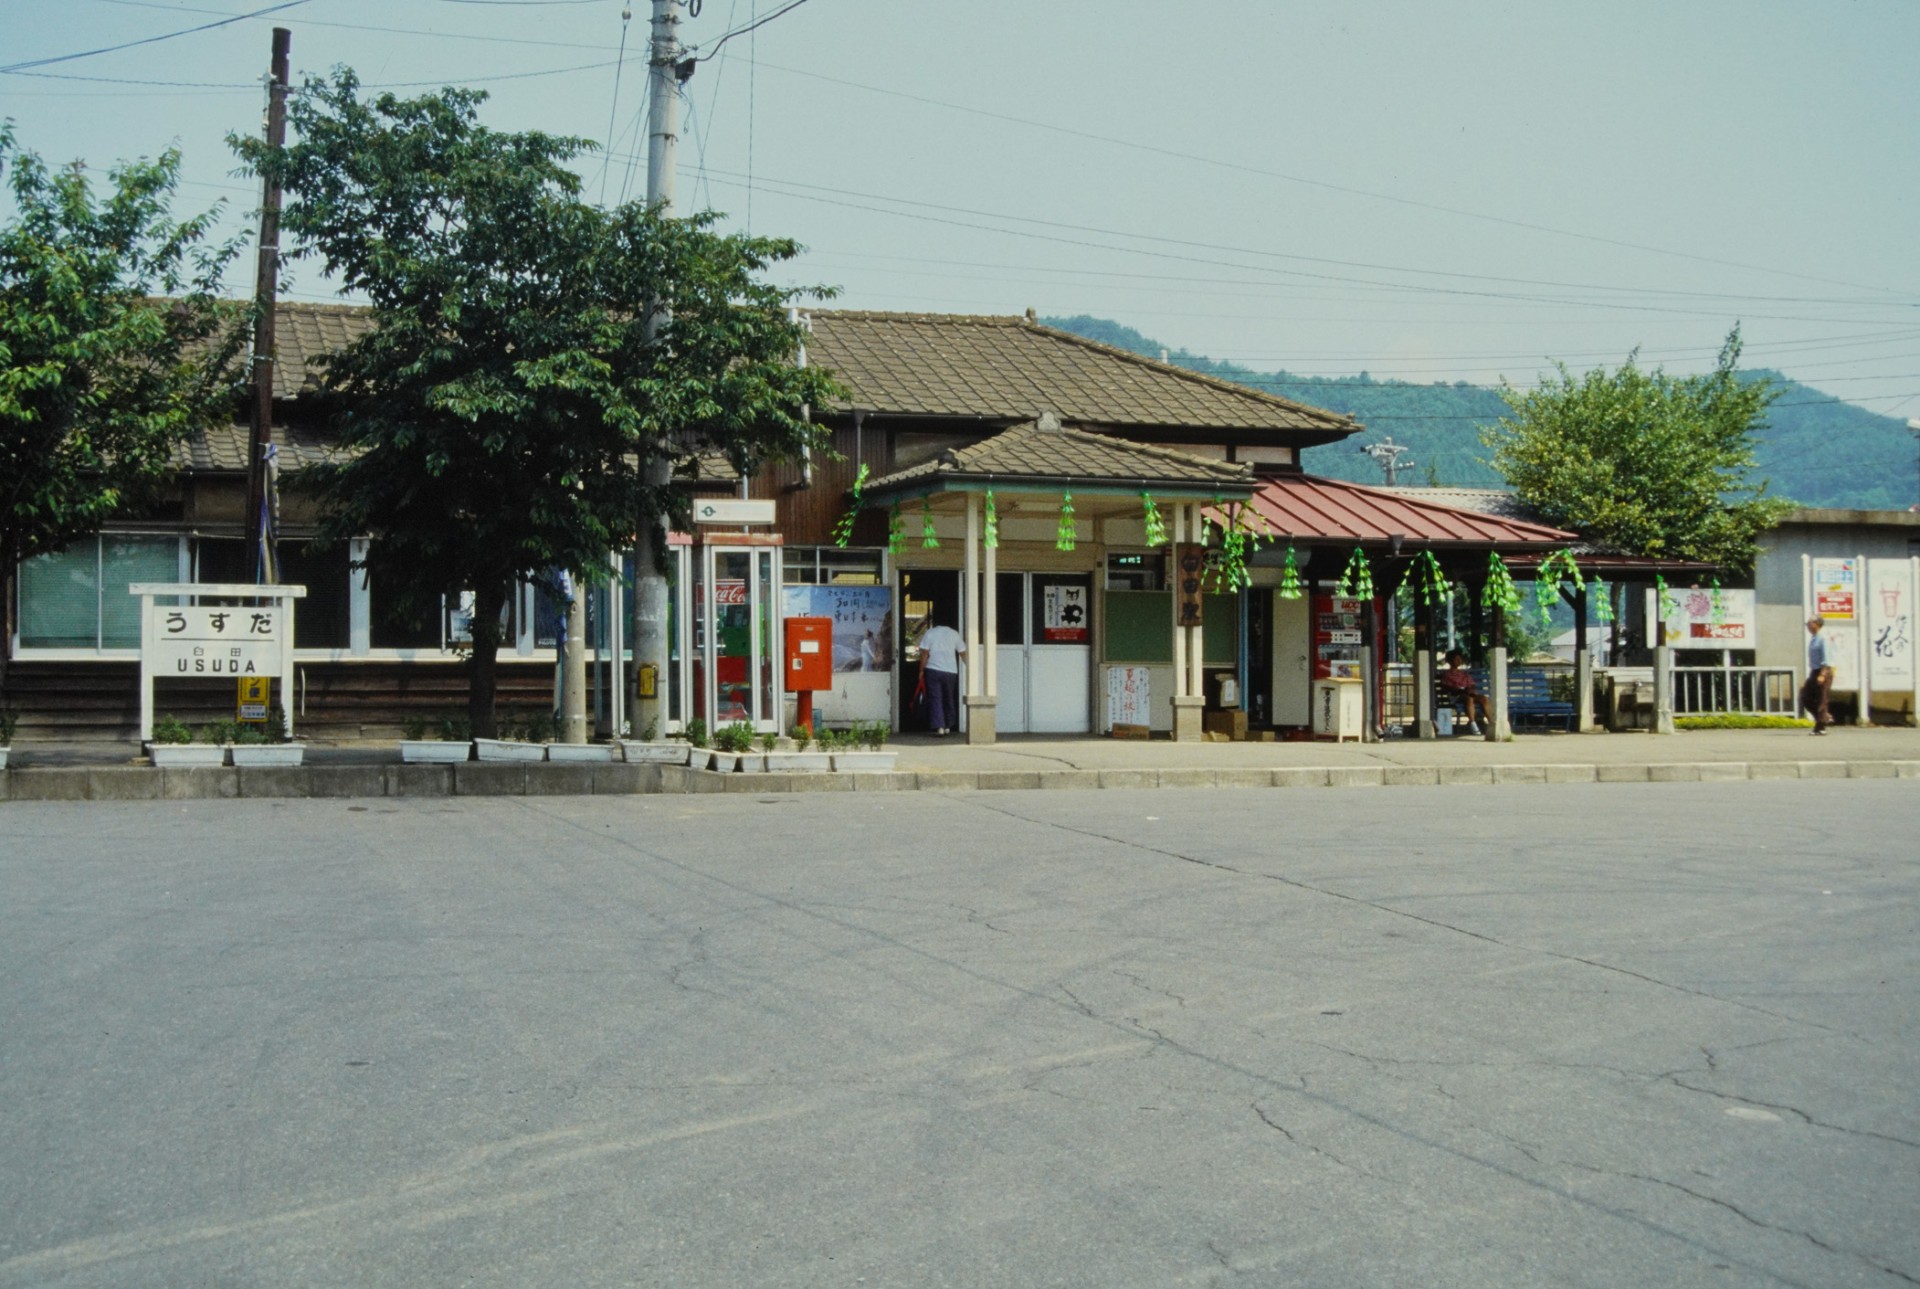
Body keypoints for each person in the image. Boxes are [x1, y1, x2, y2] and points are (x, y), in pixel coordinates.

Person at [917, 618, 966, 736]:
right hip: (950, 671)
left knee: (935, 698)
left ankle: (939, 726)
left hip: (933, 670)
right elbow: (962, 652)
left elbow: (924, 653)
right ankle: (949, 725)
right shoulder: (954, 634)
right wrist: (971, 668)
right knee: (948, 697)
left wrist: (921, 670)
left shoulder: (930, 633)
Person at [1438, 649, 1491, 734]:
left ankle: (1491, 723)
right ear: (1451, 661)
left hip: (1468, 693)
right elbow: (1446, 687)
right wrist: (1459, 690)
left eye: (1460, 659)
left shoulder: (1463, 674)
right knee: (1469, 699)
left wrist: (1471, 689)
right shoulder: (1447, 674)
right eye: (1456, 659)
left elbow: (1471, 684)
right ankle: (1473, 725)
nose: (1459, 661)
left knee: (1484, 699)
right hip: (1456, 696)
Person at [1802, 616, 1834, 735]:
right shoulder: (1814, 638)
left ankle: (1820, 728)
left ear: (1817, 624)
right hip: (1814, 671)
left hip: (1822, 671)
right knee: (1805, 697)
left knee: (1822, 699)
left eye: (1810, 623)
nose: (1808, 625)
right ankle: (1824, 717)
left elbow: (1827, 658)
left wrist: (1823, 674)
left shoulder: (1823, 638)